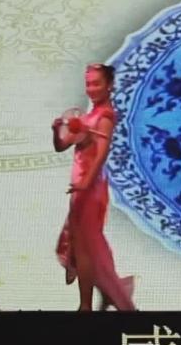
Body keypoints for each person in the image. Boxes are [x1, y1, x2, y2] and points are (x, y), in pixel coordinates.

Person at [52, 63, 135, 311]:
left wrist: (86, 183)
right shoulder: (87, 117)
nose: (91, 88)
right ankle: (107, 293)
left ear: (109, 85)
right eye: (88, 84)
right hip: (81, 187)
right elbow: (62, 145)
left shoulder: (105, 116)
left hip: (90, 188)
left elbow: (101, 153)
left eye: (97, 83)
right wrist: (57, 130)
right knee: (85, 246)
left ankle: (86, 304)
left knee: (85, 247)